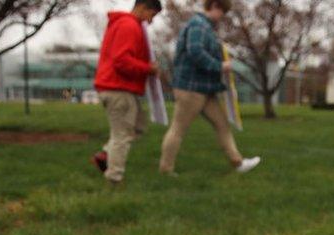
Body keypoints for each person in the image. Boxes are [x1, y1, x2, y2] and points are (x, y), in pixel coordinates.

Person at [159, 0, 260, 175]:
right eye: (222, 11)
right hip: (191, 88)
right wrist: (220, 66)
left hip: (205, 89)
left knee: (222, 125)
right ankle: (166, 169)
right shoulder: (198, 25)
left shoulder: (206, 27)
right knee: (178, 129)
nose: (223, 16)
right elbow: (195, 52)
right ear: (213, 6)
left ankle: (238, 163)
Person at [91, 0, 162, 183]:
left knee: (138, 126)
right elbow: (121, 60)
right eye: (152, 15)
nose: (151, 21)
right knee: (121, 135)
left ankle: (106, 155)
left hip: (119, 88)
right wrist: (148, 68)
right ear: (143, 7)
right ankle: (114, 178)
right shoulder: (129, 26)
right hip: (118, 89)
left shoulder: (126, 24)